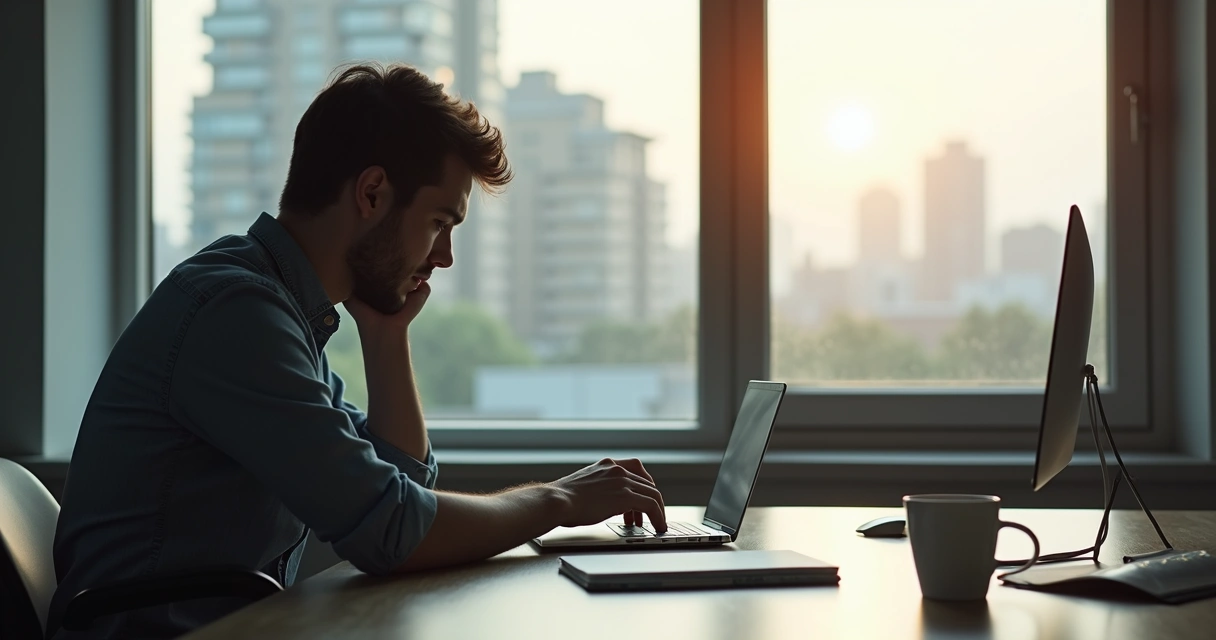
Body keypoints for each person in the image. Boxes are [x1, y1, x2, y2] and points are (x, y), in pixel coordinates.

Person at [47, 63, 668, 639]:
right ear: (372, 193)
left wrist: (385, 336)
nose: (445, 256)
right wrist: (560, 500)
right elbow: (391, 532)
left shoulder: (279, 308)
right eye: (439, 223)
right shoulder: (236, 315)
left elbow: (400, 488)